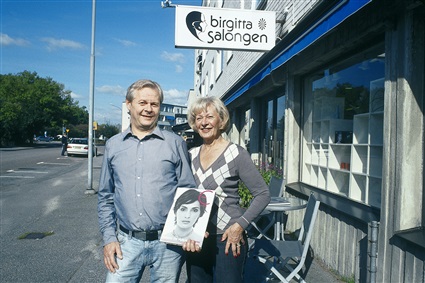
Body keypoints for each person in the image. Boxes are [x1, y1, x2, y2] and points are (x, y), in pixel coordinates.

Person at [97, 79, 196, 283]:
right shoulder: (113, 145)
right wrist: (109, 238)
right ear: (129, 104)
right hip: (125, 243)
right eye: (142, 103)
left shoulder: (175, 143)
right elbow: (106, 196)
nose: (148, 109)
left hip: (168, 244)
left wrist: (190, 231)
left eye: (154, 104)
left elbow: (188, 190)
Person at [183, 96, 271, 283]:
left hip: (228, 238)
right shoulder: (190, 155)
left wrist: (240, 225)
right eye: (199, 118)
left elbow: (262, 194)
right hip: (197, 237)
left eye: (209, 117)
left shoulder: (236, 154)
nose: (204, 123)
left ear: (221, 121)